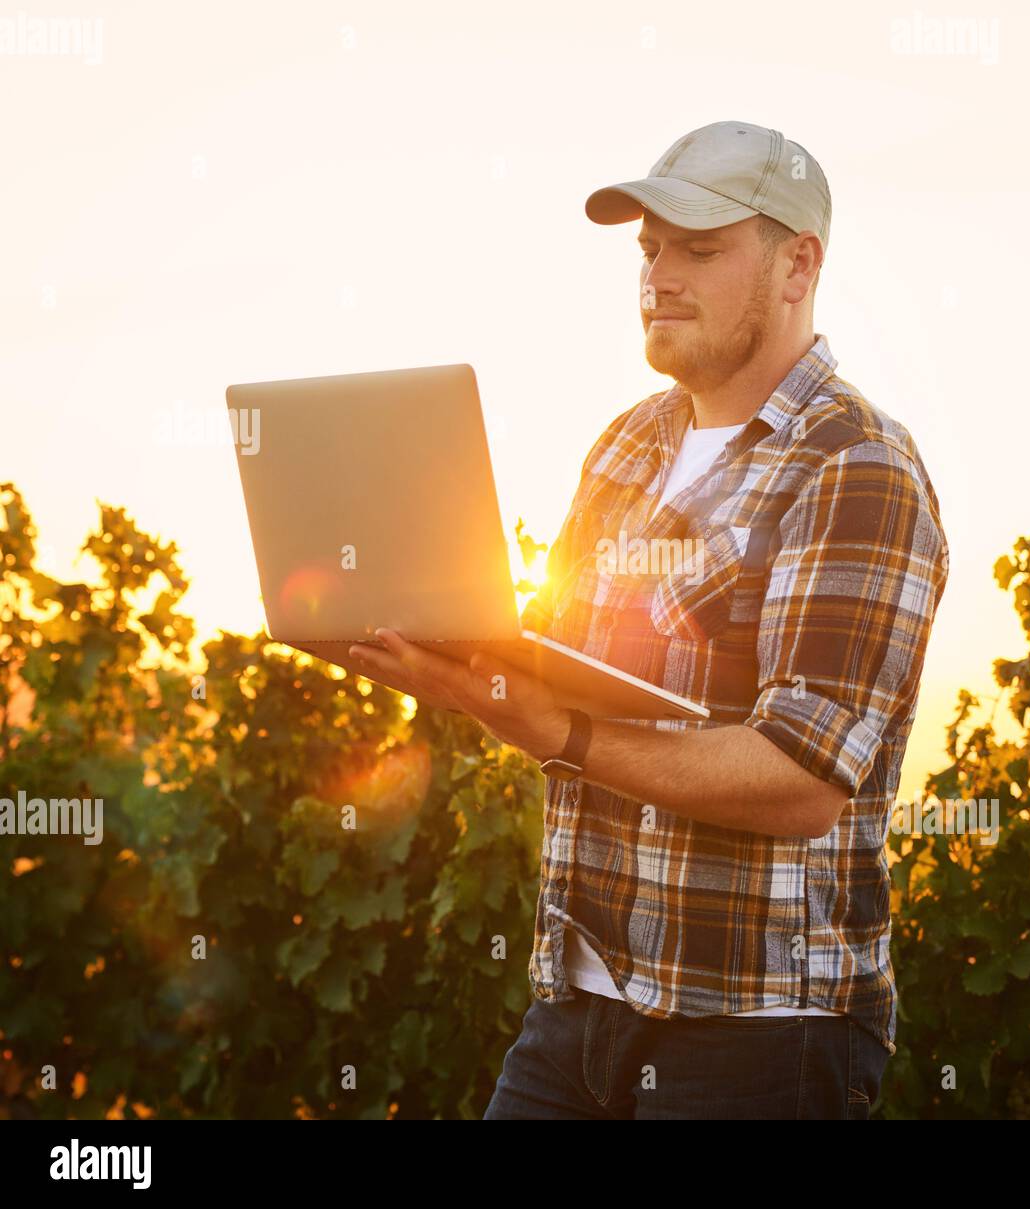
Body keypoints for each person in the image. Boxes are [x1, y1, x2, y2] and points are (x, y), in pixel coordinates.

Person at [350, 120, 950, 1119]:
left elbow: (801, 780)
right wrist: (458, 656)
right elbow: (552, 670)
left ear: (798, 264)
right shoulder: (624, 445)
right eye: (649, 248)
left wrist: (555, 732)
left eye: (700, 249)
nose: (659, 275)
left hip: (760, 1034)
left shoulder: (857, 467)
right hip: (574, 1011)